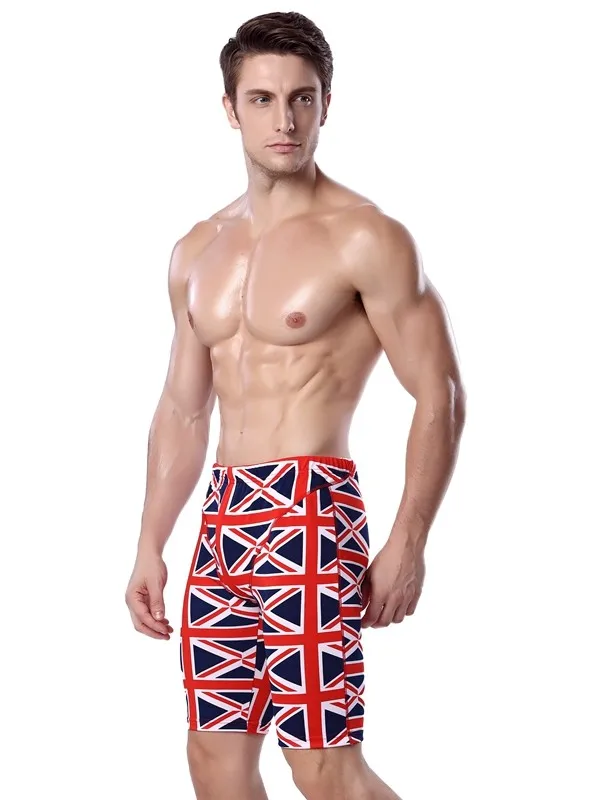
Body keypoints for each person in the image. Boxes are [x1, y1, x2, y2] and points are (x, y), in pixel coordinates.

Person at [125, 11, 466, 800]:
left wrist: (409, 538)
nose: (284, 119)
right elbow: (182, 410)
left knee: (320, 763)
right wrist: (149, 540)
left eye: (302, 99)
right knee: (213, 756)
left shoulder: (366, 237)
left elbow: (439, 392)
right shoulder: (197, 250)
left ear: (326, 105)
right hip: (224, 518)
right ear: (230, 108)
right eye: (262, 99)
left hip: (309, 509)